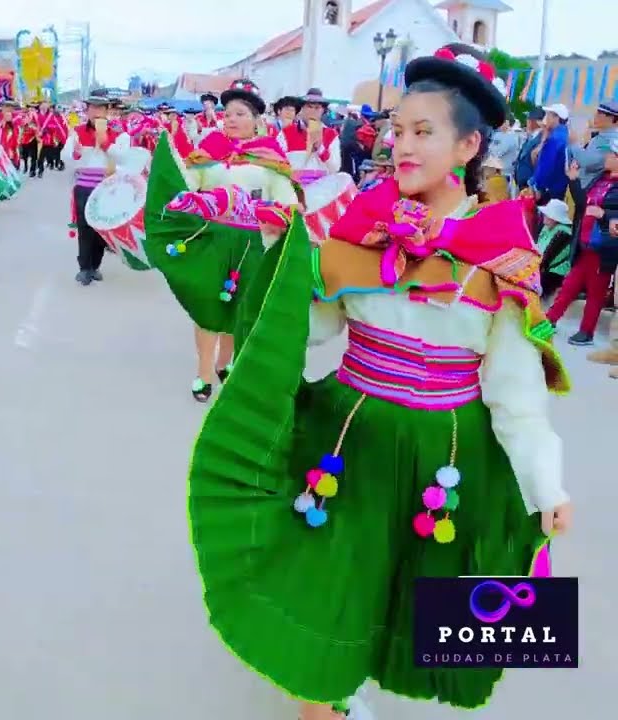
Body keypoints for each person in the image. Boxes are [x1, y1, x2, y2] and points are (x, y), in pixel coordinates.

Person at [165, 44, 571, 719]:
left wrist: (546, 486)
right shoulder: (361, 226)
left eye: (424, 132)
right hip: (345, 443)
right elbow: (308, 327)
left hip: (448, 457)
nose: (402, 145)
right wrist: (273, 254)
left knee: (428, 591)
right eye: (398, 130)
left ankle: (359, 677)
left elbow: (516, 395)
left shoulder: (503, 251)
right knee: (329, 583)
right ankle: (331, 689)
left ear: (468, 145)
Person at [144, 78, 298, 401]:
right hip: (211, 240)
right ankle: (203, 371)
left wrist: (265, 211)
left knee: (239, 309)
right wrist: (168, 159)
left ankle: (224, 363)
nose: (230, 118)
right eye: (227, 113)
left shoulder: (269, 156)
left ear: (257, 120)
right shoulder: (211, 148)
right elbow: (186, 183)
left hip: (253, 245)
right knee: (206, 307)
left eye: (240, 113)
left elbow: (290, 204)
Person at [546, 150, 618, 345]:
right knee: (570, 284)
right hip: (585, 242)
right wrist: (574, 180)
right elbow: (582, 203)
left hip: (603, 247)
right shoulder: (600, 179)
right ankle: (550, 319)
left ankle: (586, 331)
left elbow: (606, 213)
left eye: (614, 155)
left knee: (596, 292)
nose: (608, 157)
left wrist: (604, 214)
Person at [62, 89, 132, 287]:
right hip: (84, 186)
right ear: (87, 111)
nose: (96, 112)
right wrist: (75, 154)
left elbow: (123, 158)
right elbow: (65, 157)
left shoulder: (120, 135)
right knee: (85, 228)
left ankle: (95, 266)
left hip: (106, 187)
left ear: (107, 111)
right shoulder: (77, 133)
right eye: (92, 107)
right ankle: (84, 268)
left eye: (100, 108)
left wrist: (106, 144)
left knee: (101, 228)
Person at [528, 103, 570, 203]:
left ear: (556, 117)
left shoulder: (555, 139)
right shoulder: (565, 135)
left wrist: (537, 186)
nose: (546, 118)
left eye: (549, 115)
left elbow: (546, 166)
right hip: (559, 188)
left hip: (549, 190)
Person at [572, 102, 618, 188]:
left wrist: (574, 144)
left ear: (612, 118)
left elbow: (587, 162)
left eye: (600, 113)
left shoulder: (608, 141)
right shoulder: (602, 136)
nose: (595, 116)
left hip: (592, 187)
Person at [536, 198, 573, 296]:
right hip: (541, 268)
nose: (544, 216)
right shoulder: (547, 228)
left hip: (555, 273)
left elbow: (547, 258)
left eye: (547, 214)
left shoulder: (563, 233)